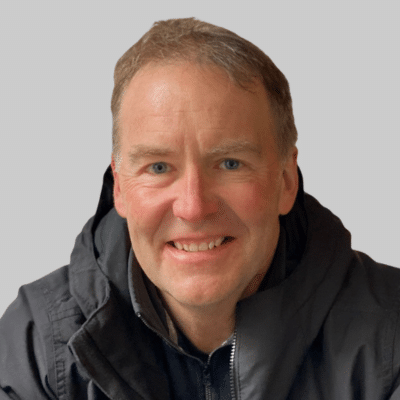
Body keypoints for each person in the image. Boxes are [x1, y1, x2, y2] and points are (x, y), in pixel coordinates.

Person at [1, 17, 399, 400]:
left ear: (286, 180)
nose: (193, 207)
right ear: (119, 186)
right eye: (158, 167)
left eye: (230, 164)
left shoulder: (391, 337)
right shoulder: (37, 349)